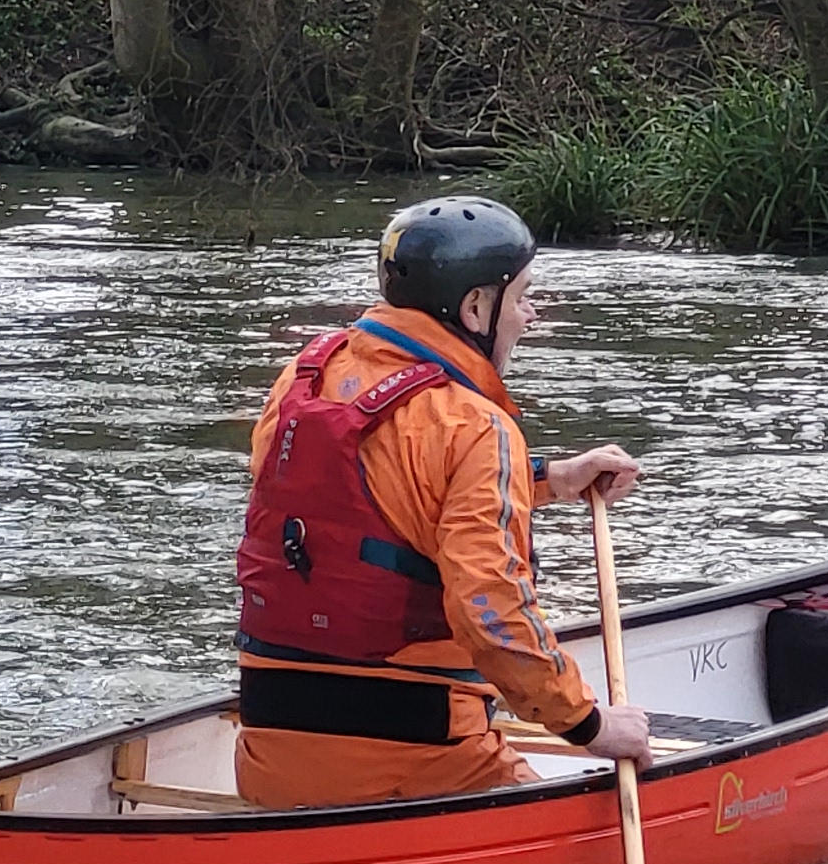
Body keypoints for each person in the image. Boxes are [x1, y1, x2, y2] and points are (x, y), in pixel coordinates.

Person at [232, 196, 650, 810]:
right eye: (523, 295)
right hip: (421, 759)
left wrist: (550, 480)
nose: (531, 315)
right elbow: (494, 616)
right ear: (476, 307)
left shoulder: (305, 379)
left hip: (269, 752)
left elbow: (375, 498)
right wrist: (590, 725)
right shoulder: (477, 427)